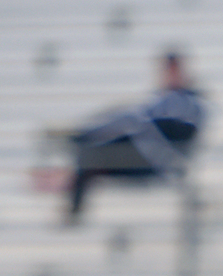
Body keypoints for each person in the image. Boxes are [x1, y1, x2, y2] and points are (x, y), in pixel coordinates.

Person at [65, 51, 208, 222]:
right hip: (143, 154)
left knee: (125, 124)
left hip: (157, 162)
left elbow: (139, 122)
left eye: (174, 70)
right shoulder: (159, 101)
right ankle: (74, 212)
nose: (170, 75)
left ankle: (84, 140)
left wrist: (89, 134)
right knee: (88, 157)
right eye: (167, 70)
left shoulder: (190, 104)